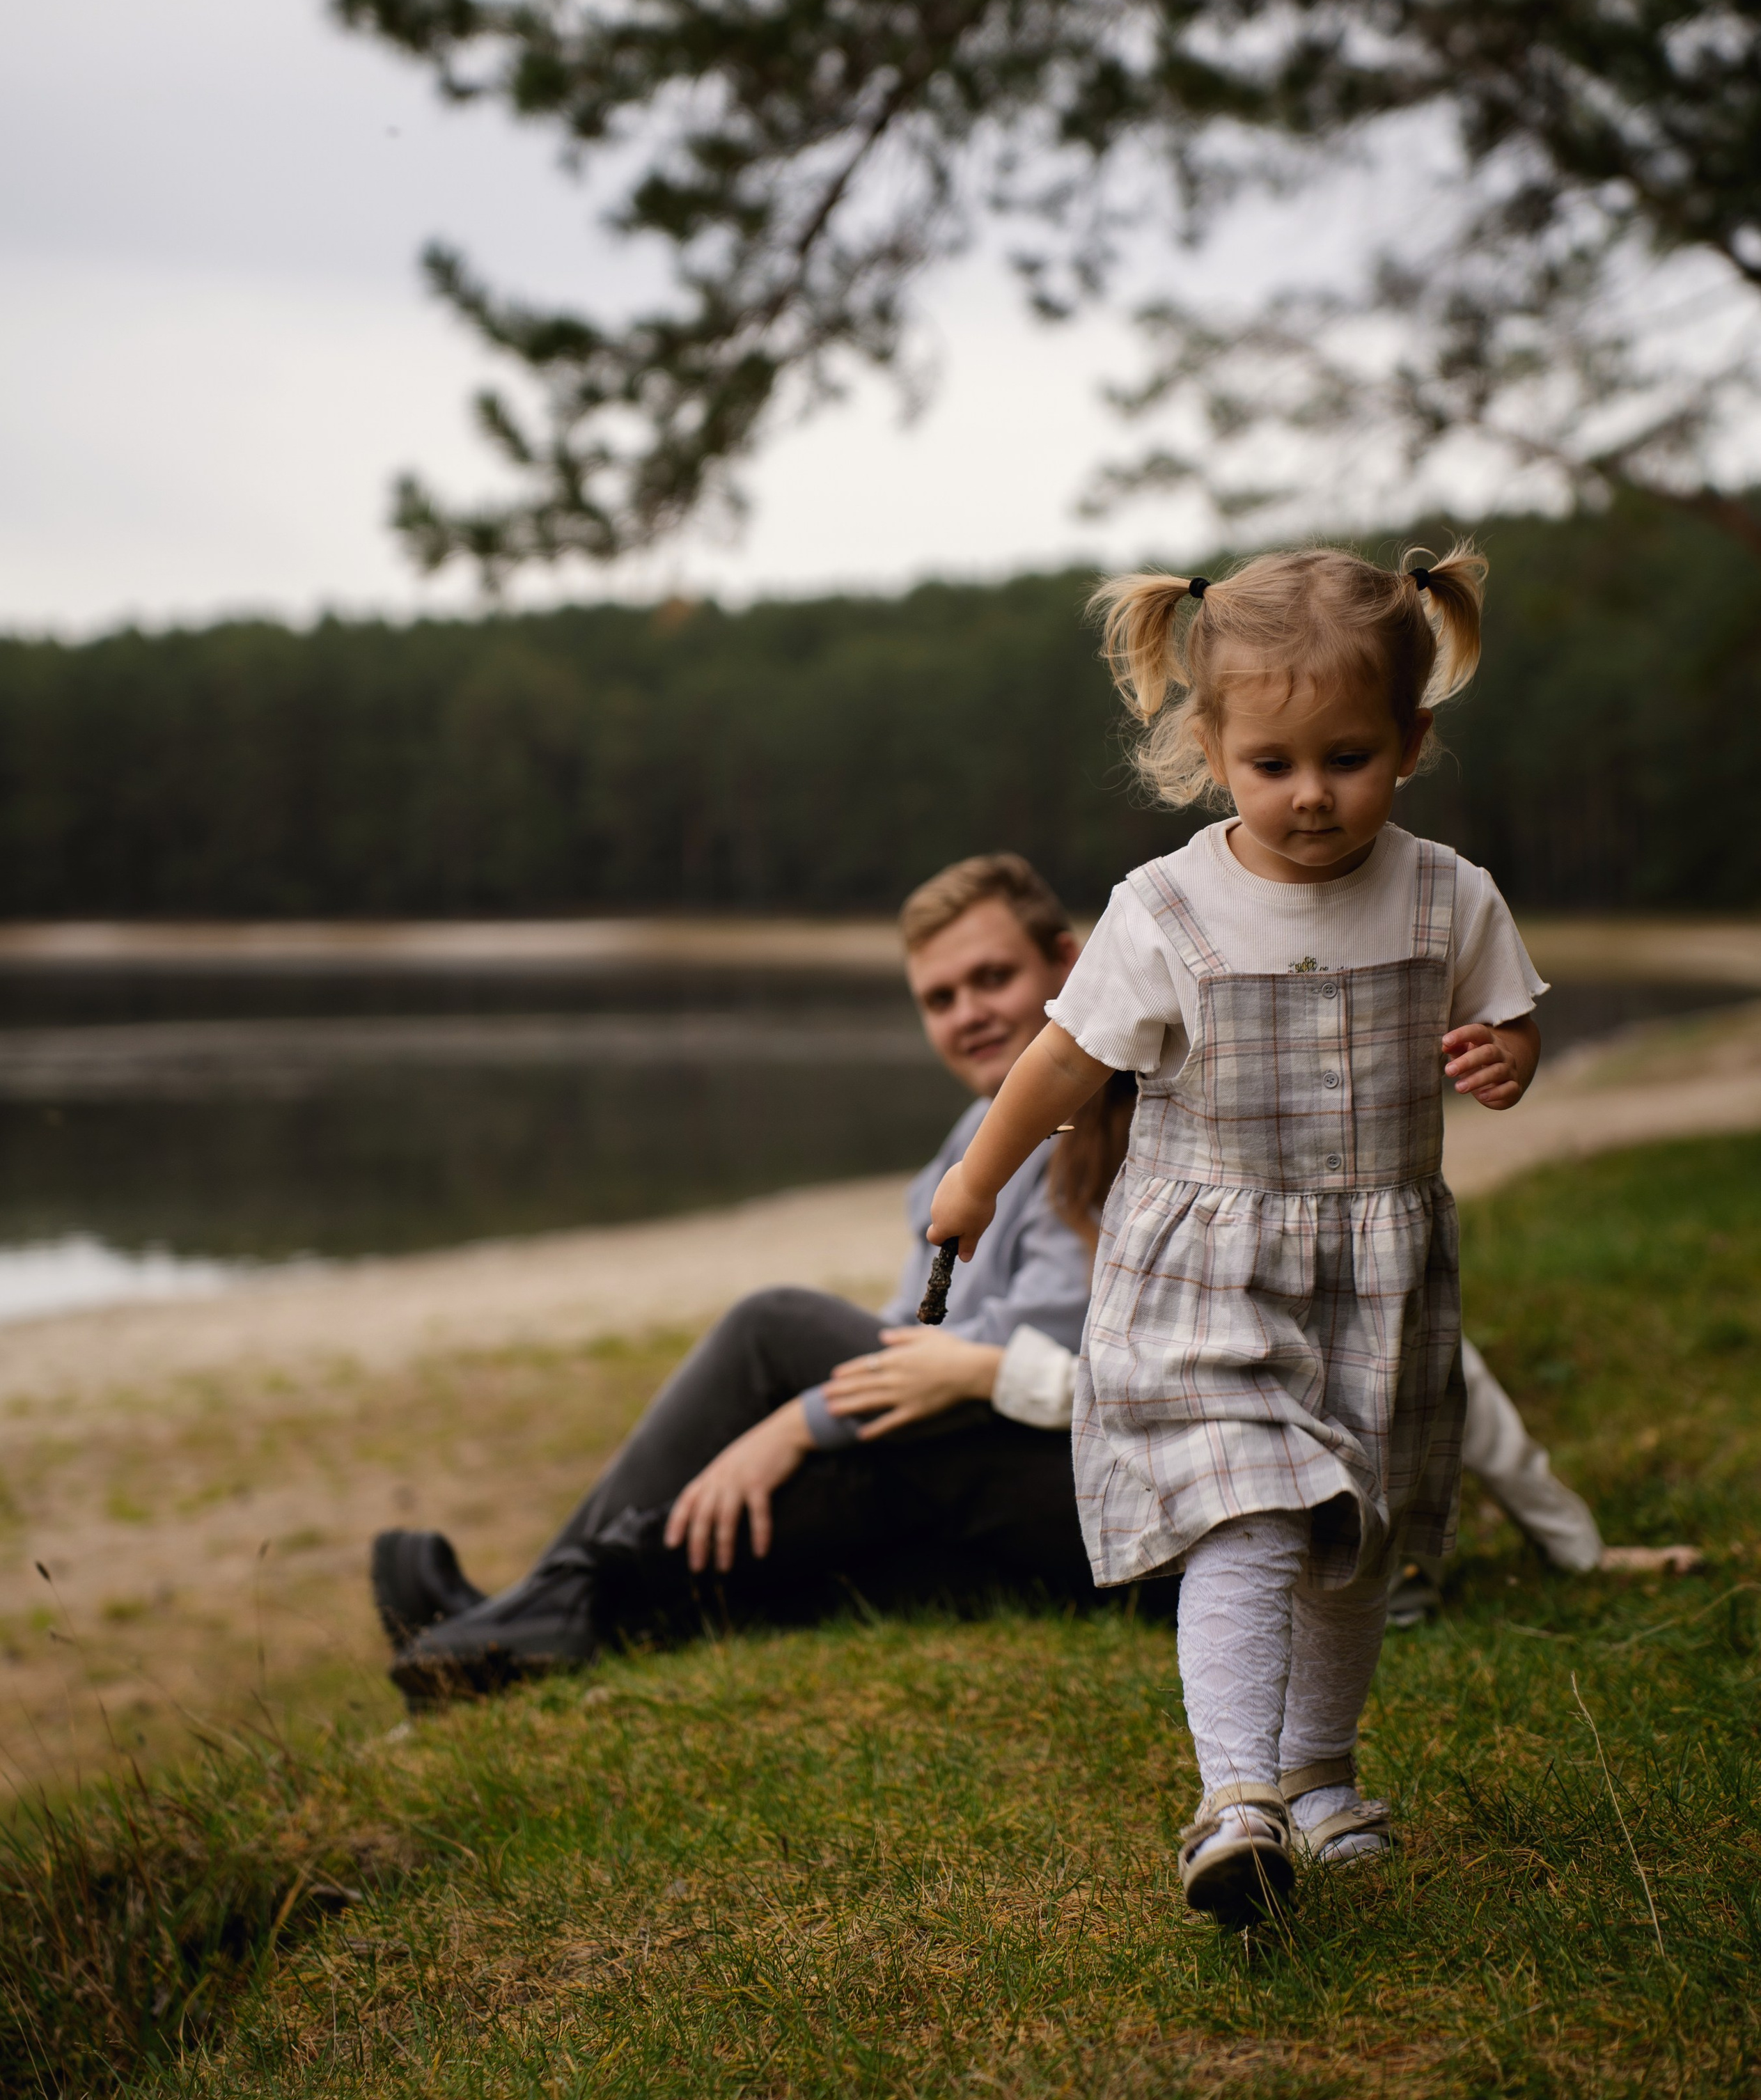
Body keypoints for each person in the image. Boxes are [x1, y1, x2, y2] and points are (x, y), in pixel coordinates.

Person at [928, 544, 1544, 1927]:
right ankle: (1234, 1801)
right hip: (1204, 1272)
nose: (1310, 794)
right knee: (1249, 1510)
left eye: (1347, 755)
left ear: (1410, 740)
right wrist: (973, 1185)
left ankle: (1320, 1780)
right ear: (1208, 749)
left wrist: (1506, 1055)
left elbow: (1504, 1013)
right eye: (1271, 763)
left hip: (1375, 1278)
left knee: (1352, 1541)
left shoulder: (1448, 894)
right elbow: (1057, 1063)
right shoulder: (1165, 910)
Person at [375, 854, 1130, 1703]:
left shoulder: (1102, 1115)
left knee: (773, 1328)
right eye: (940, 999)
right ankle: (513, 1632)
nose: (969, 1015)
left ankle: (525, 1611)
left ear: (1066, 964)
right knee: (811, 1523)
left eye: (992, 978)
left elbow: (1040, 1343)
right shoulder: (971, 1136)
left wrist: (797, 1422)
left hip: (1076, 1474)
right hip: (989, 1462)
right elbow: (912, 1329)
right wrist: (796, 1425)